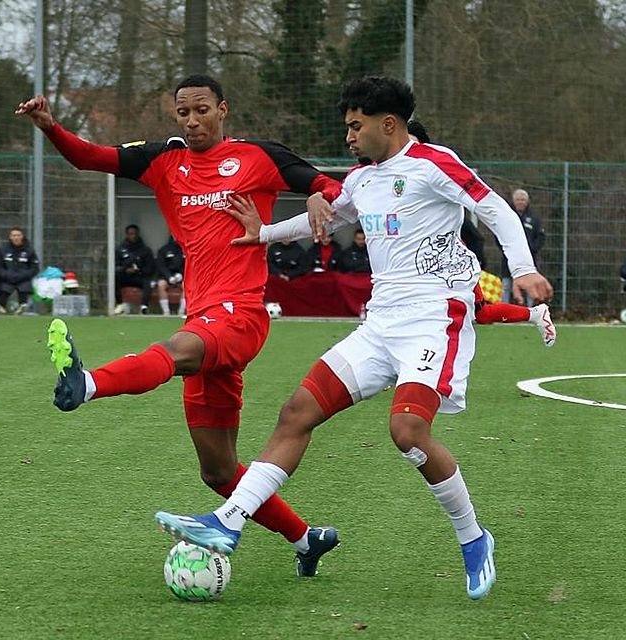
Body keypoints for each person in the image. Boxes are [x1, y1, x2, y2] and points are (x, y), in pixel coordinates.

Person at [156, 76, 554, 600]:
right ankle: (227, 523)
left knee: (408, 430)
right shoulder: (363, 179)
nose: (347, 136)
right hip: (380, 325)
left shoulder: (434, 163)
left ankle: (474, 538)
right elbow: (327, 217)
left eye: (354, 126)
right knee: (298, 411)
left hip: (434, 320)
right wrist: (265, 233)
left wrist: (522, 268)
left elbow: (493, 207)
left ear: (387, 123)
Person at [15, 73, 344, 576]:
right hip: (202, 316)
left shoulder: (259, 156)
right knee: (217, 471)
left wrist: (322, 194)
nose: (192, 121)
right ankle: (305, 539)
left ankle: (88, 383)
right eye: (183, 113)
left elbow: (326, 183)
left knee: (173, 351)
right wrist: (50, 126)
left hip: (240, 315)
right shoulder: (164, 160)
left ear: (223, 109)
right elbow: (90, 157)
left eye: (202, 110)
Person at [408, 119, 554, 346]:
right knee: (482, 314)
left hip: (451, 268)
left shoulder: (436, 179)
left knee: (459, 315)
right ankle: (535, 314)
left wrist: (512, 266)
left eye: (411, 143)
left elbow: (484, 223)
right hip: (423, 273)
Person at [497, 189, 545, 305]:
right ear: (513, 201)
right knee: (506, 285)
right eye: (518, 200)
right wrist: (506, 249)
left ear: (527, 201)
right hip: (509, 258)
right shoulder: (507, 216)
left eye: (523, 200)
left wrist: (532, 249)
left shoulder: (534, 219)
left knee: (530, 284)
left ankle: (531, 310)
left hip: (529, 258)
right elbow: (498, 234)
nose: (520, 202)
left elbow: (541, 236)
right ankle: (504, 312)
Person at [114, 224, 156, 314]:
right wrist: (125, 269)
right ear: (127, 234)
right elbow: (115, 266)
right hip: (125, 276)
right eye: (130, 234)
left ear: (138, 234)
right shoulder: (119, 249)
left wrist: (139, 270)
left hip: (139, 277)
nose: (133, 236)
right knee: (115, 278)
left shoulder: (145, 250)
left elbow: (150, 267)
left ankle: (144, 306)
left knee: (148, 281)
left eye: (134, 234)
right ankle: (120, 304)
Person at [0, 226, 40, 314]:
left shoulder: (29, 250)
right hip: (8, 277)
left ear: (22, 236)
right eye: (14, 235)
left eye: (18, 235)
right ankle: (1, 309)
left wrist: (24, 275)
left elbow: (34, 268)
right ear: (10, 237)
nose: (16, 238)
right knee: (3, 288)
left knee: (25, 287)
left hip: (23, 278)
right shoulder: (3, 249)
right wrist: (5, 274)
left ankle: (22, 307)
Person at [155, 235, 187, 316]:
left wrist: (181, 274)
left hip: (182, 277)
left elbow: (189, 265)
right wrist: (169, 277)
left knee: (186, 285)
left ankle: (181, 312)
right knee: (161, 284)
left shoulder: (186, 249)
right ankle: (166, 312)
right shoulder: (164, 250)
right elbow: (161, 266)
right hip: (166, 277)